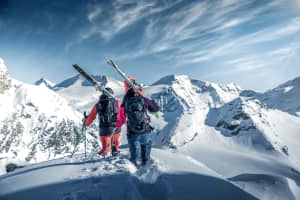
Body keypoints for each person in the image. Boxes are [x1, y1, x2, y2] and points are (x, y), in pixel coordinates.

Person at [116, 77, 159, 166]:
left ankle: (134, 173)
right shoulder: (144, 99)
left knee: (134, 157)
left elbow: (121, 119)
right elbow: (155, 109)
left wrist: (116, 126)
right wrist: (152, 102)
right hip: (145, 130)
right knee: (145, 155)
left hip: (132, 132)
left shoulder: (125, 102)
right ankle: (146, 168)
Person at [84, 87, 122, 157]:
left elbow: (91, 117)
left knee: (105, 148)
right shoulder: (118, 102)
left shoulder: (98, 104)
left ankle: (102, 159)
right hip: (116, 128)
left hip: (104, 129)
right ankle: (116, 152)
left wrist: (86, 123)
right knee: (115, 143)